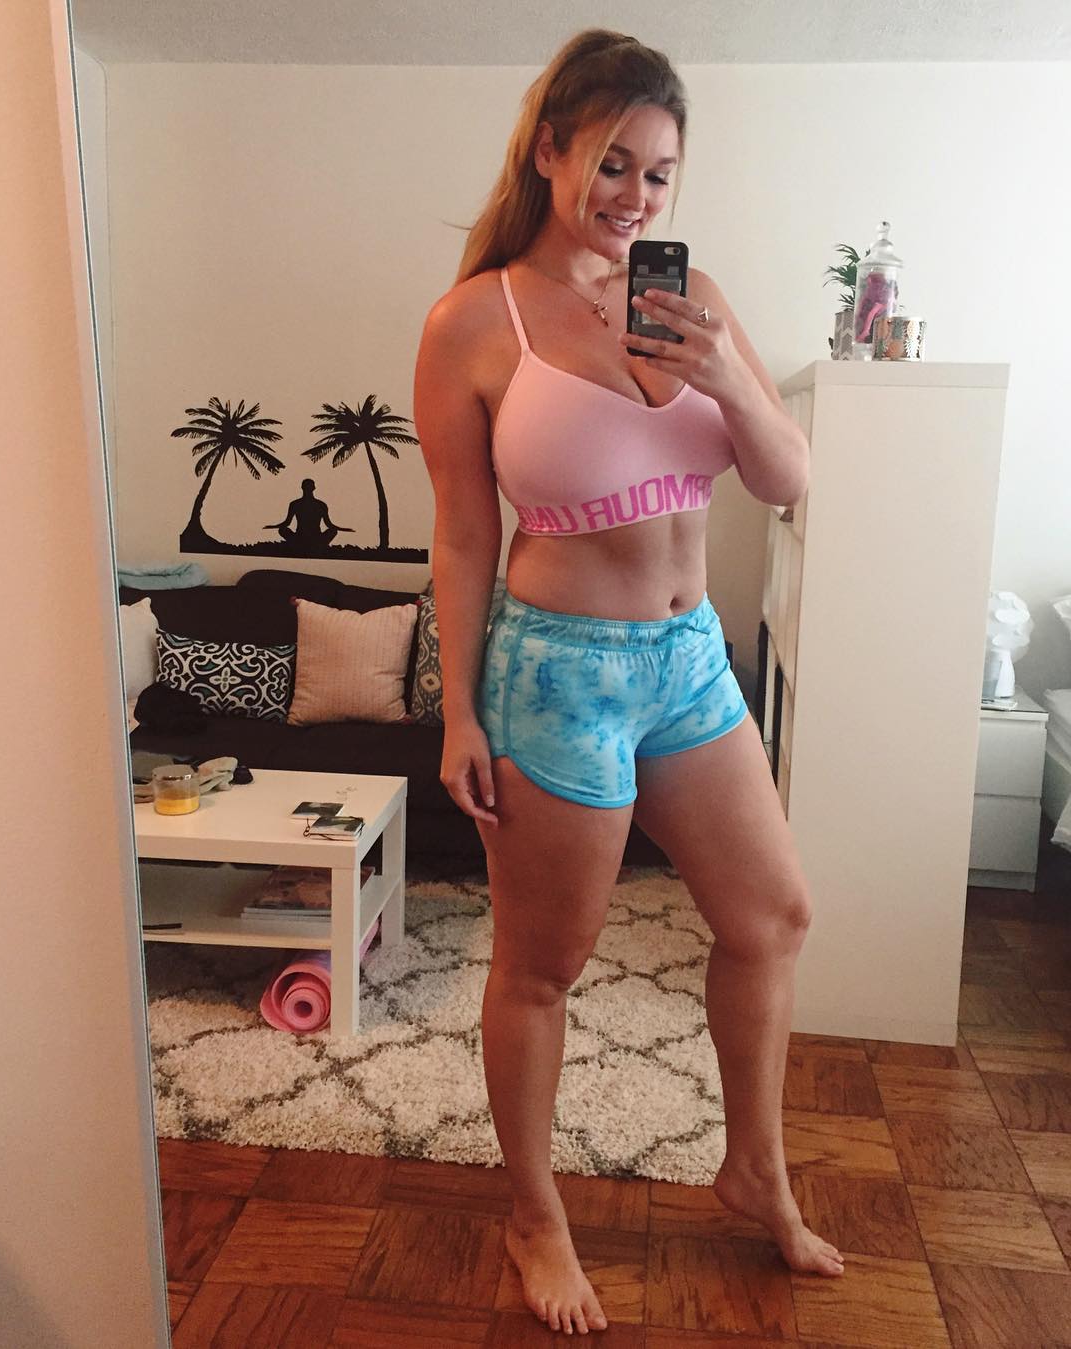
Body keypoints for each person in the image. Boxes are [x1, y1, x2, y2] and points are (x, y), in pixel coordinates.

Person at [414, 29, 844, 1337]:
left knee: (772, 916)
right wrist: (459, 710)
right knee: (544, 965)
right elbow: (464, 535)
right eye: (613, 163)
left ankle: (753, 1167)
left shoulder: (690, 295)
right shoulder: (473, 322)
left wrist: (725, 373)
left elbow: (787, 477)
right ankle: (535, 1216)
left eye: (659, 174)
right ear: (550, 150)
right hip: (559, 674)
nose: (635, 196)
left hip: (690, 658)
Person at [264, 478, 353, 548]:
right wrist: (272, 526)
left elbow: (329, 525)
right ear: (313, 488)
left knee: (333, 531)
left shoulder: (319, 505)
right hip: (300, 537)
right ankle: (312, 546)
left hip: (315, 537)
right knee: (282, 529)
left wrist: (344, 529)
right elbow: (287, 523)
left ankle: (309, 545)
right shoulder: (296, 504)